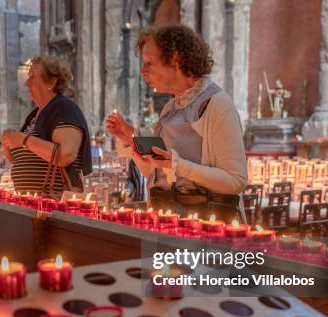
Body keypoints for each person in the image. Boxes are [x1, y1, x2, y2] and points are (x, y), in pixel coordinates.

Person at [106, 24, 247, 222]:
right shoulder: (170, 108)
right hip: (167, 219)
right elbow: (156, 175)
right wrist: (133, 143)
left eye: (149, 63)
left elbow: (235, 182)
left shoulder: (217, 105)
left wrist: (178, 165)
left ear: (175, 60)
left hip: (205, 227)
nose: (143, 72)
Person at [1, 56, 91, 196]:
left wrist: (23, 140)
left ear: (51, 82)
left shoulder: (64, 109)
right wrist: (9, 143)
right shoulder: (34, 115)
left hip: (53, 204)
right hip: (29, 203)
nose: (27, 83)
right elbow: (29, 160)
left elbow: (65, 155)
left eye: (33, 77)